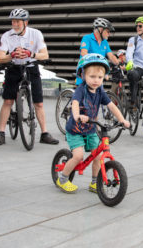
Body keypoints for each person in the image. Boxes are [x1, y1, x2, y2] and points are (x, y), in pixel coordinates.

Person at [55, 54, 129, 193]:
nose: (96, 80)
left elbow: (111, 106)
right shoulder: (80, 89)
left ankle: (95, 183)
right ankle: (63, 179)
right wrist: (77, 115)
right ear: (83, 75)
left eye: (100, 77)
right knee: (78, 156)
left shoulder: (100, 91)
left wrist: (122, 119)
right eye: (92, 77)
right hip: (75, 129)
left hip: (90, 129)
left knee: (98, 155)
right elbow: (75, 103)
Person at [0, 8, 58, 146]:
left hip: (31, 68)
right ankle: (1, 133)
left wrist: (30, 54)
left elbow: (45, 55)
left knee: (39, 103)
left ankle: (44, 133)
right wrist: (12, 55)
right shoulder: (6, 36)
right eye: (13, 21)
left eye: (18, 21)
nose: (15, 24)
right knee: (8, 101)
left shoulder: (36, 34)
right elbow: (0, 58)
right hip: (14, 68)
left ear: (25, 22)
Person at [77, 18, 120, 85]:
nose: (109, 34)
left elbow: (111, 56)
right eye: (107, 31)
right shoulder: (87, 38)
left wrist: (118, 63)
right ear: (100, 30)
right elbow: (83, 52)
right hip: (86, 71)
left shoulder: (105, 42)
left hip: (98, 72)